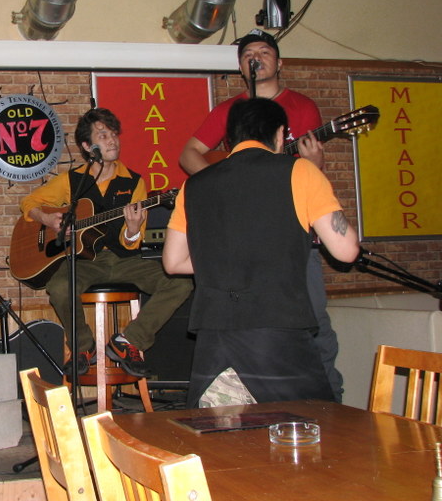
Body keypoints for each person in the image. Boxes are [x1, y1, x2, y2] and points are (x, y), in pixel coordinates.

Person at [178, 28, 344, 402]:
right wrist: (220, 184)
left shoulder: (302, 106)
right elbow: (188, 153)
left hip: (289, 236)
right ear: (241, 67)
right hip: (238, 239)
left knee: (313, 319)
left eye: (264, 52)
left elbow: (306, 175)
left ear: (279, 62)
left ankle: (330, 403)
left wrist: (315, 164)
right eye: (248, 53)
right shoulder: (227, 111)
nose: (256, 57)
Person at [163, 97, 360, 407]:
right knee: (312, 428)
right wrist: (316, 173)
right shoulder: (300, 171)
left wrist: (223, 259)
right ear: (280, 135)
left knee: (223, 435)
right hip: (277, 334)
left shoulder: (194, 185)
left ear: (229, 139)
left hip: (215, 337)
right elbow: (346, 251)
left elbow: (174, 262)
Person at [19, 108, 194, 377]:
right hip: (85, 261)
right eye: (103, 135)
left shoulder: (134, 182)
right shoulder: (72, 180)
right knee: (60, 286)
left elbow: (132, 243)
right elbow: (29, 202)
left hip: (124, 260)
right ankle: (83, 348)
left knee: (180, 283)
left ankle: (129, 341)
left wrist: (132, 230)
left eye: (114, 134)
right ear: (87, 147)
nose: (112, 140)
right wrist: (48, 219)